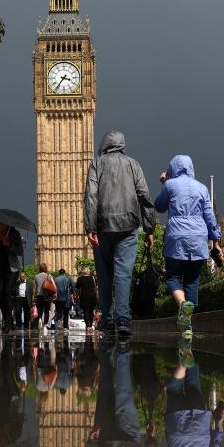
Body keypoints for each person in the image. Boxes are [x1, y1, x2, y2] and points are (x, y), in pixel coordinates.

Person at [84, 131, 156, 337]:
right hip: (128, 226)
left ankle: (106, 320)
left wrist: (90, 227)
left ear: (105, 145)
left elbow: (90, 196)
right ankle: (123, 319)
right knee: (124, 274)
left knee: (105, 276)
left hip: (102, 226)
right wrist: (149, 229)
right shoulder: (133, 164)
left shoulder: (97, 163)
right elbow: (144, 195)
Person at [153, 155, 221, 337]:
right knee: (192, 281)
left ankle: (183, 306)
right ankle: (188, 325)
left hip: (176, 237)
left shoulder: (170, 185)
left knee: (173, 277)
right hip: (199, 238)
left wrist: (164, 182)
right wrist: (216, 242)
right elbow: (210, 218)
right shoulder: (202, 188)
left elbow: (159, 206)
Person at [0, 221, 24, 333]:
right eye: (0, 223)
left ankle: (7, 323)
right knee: (0, 296)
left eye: (4, 223)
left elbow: (20, 251)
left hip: (11, 270)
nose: (2, 225)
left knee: (8, 293)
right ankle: (8, 319)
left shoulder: (14, 234)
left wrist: (9, 244)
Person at [33, 263, 55, 333]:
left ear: (39, 268)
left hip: (39, 296)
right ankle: (45, 325)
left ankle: (39, 319)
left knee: (40, 310)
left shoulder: (36, 276)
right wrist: (54, 294)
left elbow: (34, 287)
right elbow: (54, 286)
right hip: (47, 296)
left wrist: (34, 296)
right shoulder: (49, 276)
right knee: (46, 311)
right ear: (46, 268)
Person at [75, 267, 98, 331]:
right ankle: (90, 324)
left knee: (86, 311)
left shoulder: (80, 279)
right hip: (92, 296)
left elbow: (77, 289)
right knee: (91, 311)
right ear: (88, 272)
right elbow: (95, 288)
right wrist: (97, 297)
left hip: (84, 297)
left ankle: (87, 326)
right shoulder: (92, 278)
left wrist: (77, 296)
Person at [53, 267, 75, 332]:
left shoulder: (55, 279)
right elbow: (73, 287)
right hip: (67, 298)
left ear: (59, 273)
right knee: (66, 314)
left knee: (58, 312)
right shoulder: (68, 278)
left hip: (58, 299)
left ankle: (56, 326)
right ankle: (65, 327)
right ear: (64, 273)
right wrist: (70, 292)